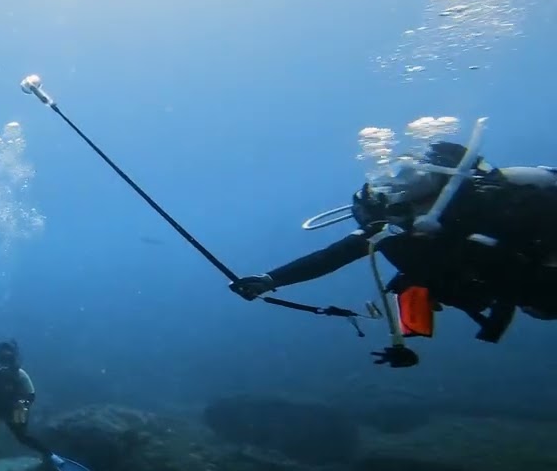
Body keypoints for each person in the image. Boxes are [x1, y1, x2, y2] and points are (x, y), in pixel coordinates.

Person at [230, 140, 557, 364]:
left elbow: (331, 257)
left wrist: (269, 279)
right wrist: (268, 279)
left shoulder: (478, 213)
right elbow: (331, 257)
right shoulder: (403, 226)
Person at [0, 340, 60, 464]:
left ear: (14, 358)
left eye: (9, 358)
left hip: (11, 409)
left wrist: (22, 405)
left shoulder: (19, 374)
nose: (5, 363)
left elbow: (31, 395)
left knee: (23, 436)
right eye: (2, 358)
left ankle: (50, 455)